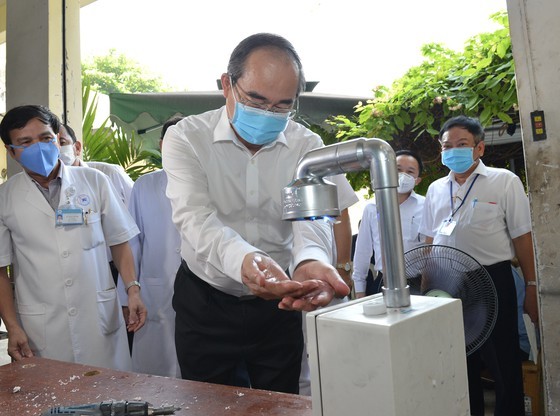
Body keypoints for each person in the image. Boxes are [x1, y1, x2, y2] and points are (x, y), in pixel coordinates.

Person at [162, 33, 350, 394]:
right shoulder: (187, 138)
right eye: (256, 100)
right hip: (206, 299)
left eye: (283, 106)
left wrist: (310, 259)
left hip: (282, 303)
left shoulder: (306, 146)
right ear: (226, 85)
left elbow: (311, 219)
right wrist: (245, 259)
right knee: (206, 401)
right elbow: (195, 218)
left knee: (278, 399)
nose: (268, 115)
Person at [0, 105, 146, 371]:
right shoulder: (4, 198)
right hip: (41, 324)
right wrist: (12, 327)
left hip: (98, 316)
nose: (39, 147)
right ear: (11, 151)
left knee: (110, 396)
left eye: (45, 138)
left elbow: (120, 241)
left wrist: (132, 290)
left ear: (57, 138)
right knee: (51, 402)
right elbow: (0, 269)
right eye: (26, 142)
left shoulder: (94, 181)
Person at [418, 115, 538, 416]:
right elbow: (431, 241)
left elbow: (523, 238)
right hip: (448, 283)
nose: (453, 151)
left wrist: (533, 286)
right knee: (459, 359)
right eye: (447, 146)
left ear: (479, 148)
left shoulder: (504, 181)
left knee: (502, 359)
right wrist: (426, 288)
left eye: (462, 144)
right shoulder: (434, 189)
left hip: (492, 278)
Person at [117, 116, 183, 378]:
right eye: (172, 141)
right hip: (155, 292)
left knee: (197, 374)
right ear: (161, 143)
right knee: (154, 371)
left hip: (201, 295)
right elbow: (132, 243)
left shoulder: (211, 183)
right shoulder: (146, 185)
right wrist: (127, 296)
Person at [352, 149, 425, 297]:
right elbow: (362, 252)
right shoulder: (372, 208)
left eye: (410, 172)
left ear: (418, 180)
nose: (403, 175)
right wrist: (359, 291)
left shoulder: (426, 206)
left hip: (418, 284)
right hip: (382, 283)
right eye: (397, 169)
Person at [58, 123, 134, 206]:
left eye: (61, 142)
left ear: (77, 148)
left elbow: (139, 208)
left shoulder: (111, 174)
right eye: (50, 143)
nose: (56, 148)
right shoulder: (46, 187)